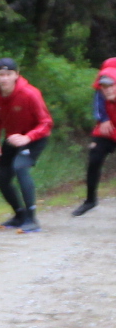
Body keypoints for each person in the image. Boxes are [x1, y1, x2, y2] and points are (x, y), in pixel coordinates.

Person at [0, 57, 52, 233]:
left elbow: (46, 123)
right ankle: (19, 215)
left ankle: (32, 219)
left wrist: (28, 137)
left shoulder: (30, 93)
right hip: (13, 138)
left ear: (16, 75)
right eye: (1, 74)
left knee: (20, 167)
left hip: (35, 138)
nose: (5, 78)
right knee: (2, 179)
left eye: (9, 74)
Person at [72, 60, 116, 217]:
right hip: (107, 129)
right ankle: (90, 200)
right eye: (104, 87)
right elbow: (98, 101)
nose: (107, 90)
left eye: (111, 86)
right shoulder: (103, 86)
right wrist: (103, 119)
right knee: (94, 158)